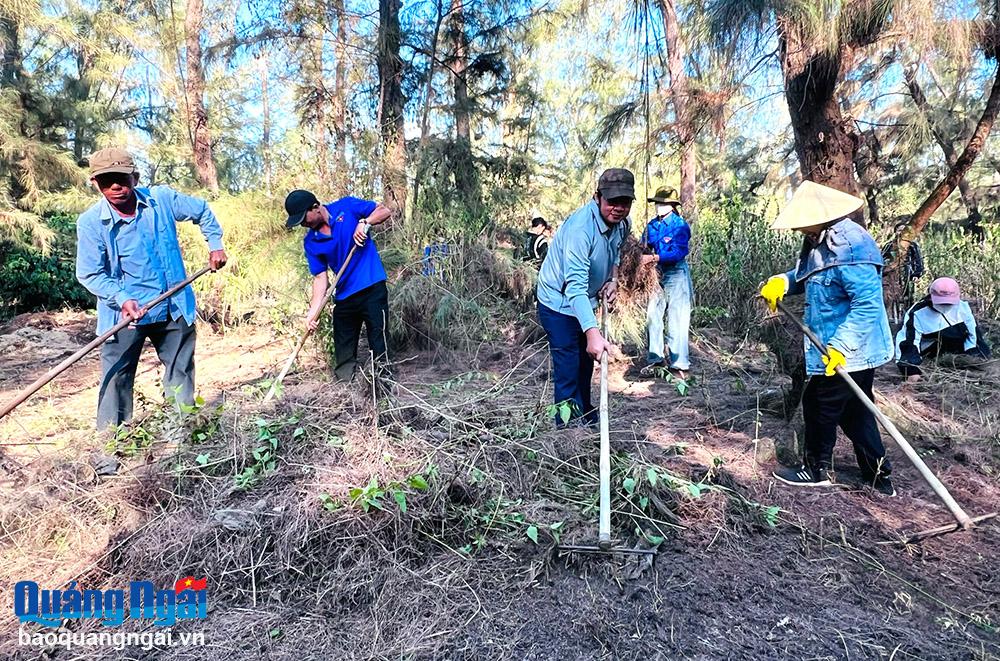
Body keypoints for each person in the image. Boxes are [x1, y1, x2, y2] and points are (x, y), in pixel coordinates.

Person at [75, 147, 228, 429]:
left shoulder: (162, 200)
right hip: (124, 318)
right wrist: (121, 298)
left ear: (135, 176)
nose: (116, 186)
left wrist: (215, 244)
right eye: (107, 181)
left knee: (180, 375)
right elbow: (89, 273)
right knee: (115, 384)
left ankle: (184, 442)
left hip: (172, 306)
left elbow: (203, 211)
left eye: (122, 178)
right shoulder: (91, 223)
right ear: (95, 183)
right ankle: (110, 453)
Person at [759, 181, 896, 496]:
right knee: (856, 410)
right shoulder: (821, 241)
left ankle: (814, 469)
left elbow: (867, 306)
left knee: (819, 404)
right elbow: (810, 275)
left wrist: (841, 347)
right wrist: (781, 282)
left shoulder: (852, 246)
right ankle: (879, 476)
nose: (798, 229)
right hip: (836, 346)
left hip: (847, 349)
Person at [536, 169, 632, 426]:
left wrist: (612, 280)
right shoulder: (581, 229)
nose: (618, 208)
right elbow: (574, 288)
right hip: (557, 302)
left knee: (585, 364)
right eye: (612, 201)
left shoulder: (622, 224)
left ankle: (585, 414)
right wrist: (592, 333)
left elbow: (616, 253)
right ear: (597, 197)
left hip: (584, 301)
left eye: (625, 202)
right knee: (568, 364)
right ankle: (566, 431)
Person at [284, 189, 393, 382]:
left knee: (379, 340)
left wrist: (365, 223)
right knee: (343, 348)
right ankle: (344, 390)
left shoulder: (347, 207)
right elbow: (320, 278)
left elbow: (384, 211)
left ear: (316, 207)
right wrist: (313, 312)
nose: (302, 224)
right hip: (345, 295)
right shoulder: (311, 242)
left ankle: (383, 385)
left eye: (303, 218)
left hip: (372, 286)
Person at [639, 187, 693, 380]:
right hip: (656, 274)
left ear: (672, 205)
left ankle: (680, 365)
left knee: (677, 318)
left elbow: (679, 252)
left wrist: (654, 257)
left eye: (663, 203)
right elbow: (642, 245)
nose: (659, 207)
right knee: (652, 315)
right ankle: (656, 360)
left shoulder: (680, 226)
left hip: (676, 273)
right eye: (657, 203)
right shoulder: (651, 225)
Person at [896, 277, 992, 379]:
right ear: (931, 297)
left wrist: (972, 358)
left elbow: (973, 336)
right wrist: (911, 370)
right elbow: (909, 342)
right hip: (930, 350)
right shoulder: (917, 314)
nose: (945, 305)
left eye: (949, 303)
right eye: (942, 302)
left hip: (957, 348)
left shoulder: (963, 308)